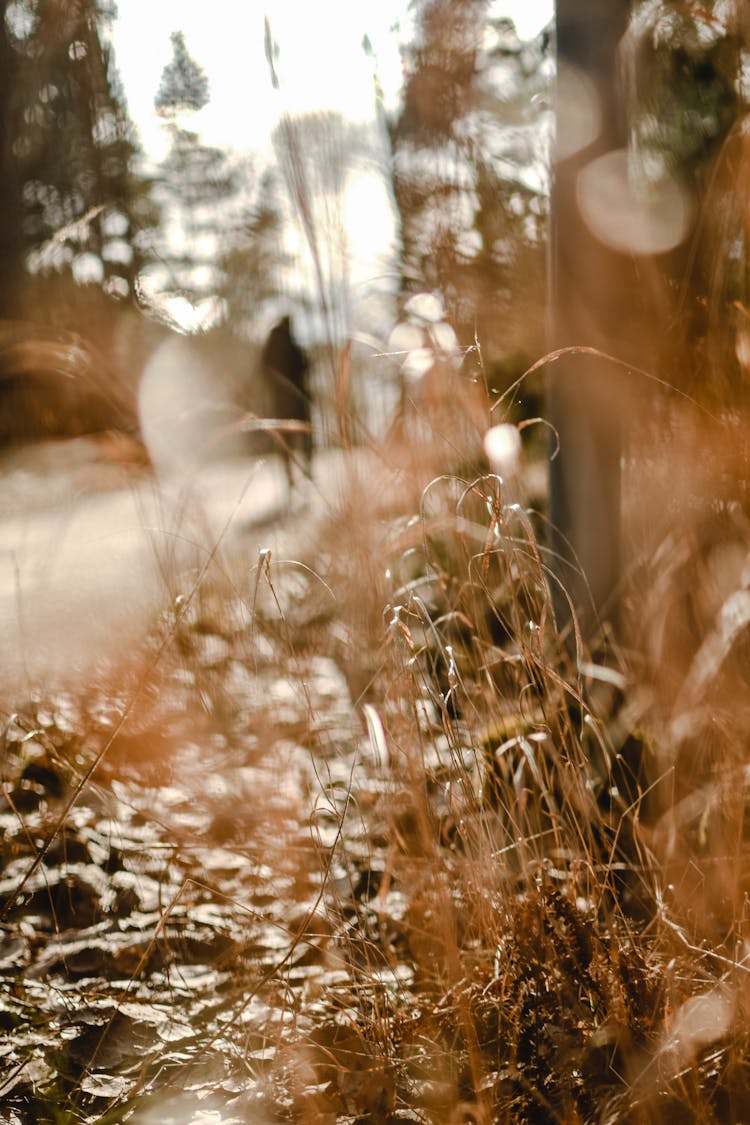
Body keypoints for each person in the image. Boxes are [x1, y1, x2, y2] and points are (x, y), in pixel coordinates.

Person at [260, 315, 312, 489]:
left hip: (280, 400)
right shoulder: (292, 345)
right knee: (305, 435)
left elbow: (263, 370)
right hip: (297, 397)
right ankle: (307, 469)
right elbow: (306, 367)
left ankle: (290, 476)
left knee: (285, 440)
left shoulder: (271, 345)